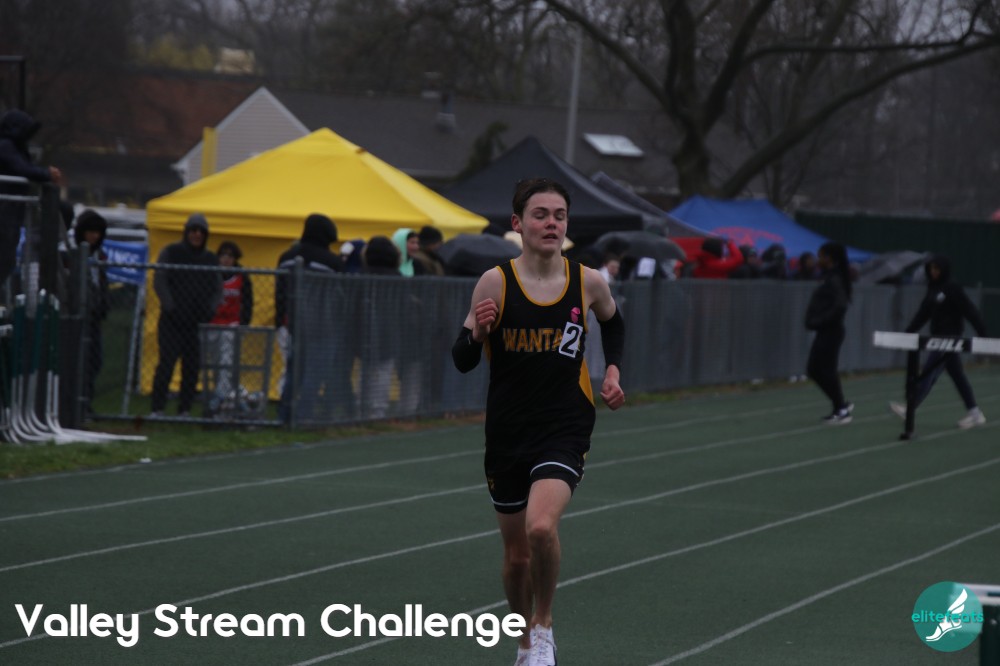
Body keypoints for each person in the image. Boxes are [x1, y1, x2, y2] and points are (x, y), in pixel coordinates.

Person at [451, 177, 625, 666]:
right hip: (508, 431)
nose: (551, 223)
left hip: (563, 425)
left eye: (559, 215)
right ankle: (524, 642)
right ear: (518, 223)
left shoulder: (587, 281)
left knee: (542, 528)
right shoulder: (495, 282)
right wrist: (478, 333)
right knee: (517, 558)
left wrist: (613, 370)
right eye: (541, 214)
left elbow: (613, 321)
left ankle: (543, 627)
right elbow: (462, 359)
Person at [889, 255, 988, 429]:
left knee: (930, 371)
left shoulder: (952, 287)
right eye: (931, 269)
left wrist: (982, 333)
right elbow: (924, 313)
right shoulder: (933, 288)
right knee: (957, 375)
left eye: (937, 268)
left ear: (943, 269)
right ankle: (975, 413)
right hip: (937, 336)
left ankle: (910, 407)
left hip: (950, 337)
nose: (934, 272)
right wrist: (909, 332)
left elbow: (969, 310)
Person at [275, 213, 346, 423]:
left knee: (293, 372)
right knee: (315, 373)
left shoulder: (286, 258)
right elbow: (342, 296)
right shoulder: (332, 262)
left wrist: (280, 319)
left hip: (294, 323)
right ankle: (304, 416)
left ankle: (285, 415)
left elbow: (279, 293)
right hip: (325, 325)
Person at [150, 213, 221, 417]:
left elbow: (218, 289)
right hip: (172, 321)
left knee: (191, 368)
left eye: (201, 231)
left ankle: (185, 409)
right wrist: (170, 307)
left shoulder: (210, 259)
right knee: (166, 364)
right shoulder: (171, 252)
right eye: (193, 230)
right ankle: (157, 408)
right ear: (186, 232)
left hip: (196, 322)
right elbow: (160, 281)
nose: (197, 235)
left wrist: (209, 310)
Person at [0, 109, 63, 288]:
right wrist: (46, 174)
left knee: (7, 259)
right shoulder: (5, 146)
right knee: (4, 257)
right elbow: (22, 168)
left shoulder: (16, 148)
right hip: (5, 210)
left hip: (11, 212)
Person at [804, 241, 853, 424]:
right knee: (816, 369)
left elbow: (840, 306)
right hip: (826, 331)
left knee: (824, 370)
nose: (818, 260)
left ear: (830, 258)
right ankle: (840, 404)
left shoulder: (835, 279)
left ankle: (841, 408)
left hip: (831, 331)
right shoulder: (829, 277)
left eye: (821, 256)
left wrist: (820, 320)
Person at [207, 240, 254, 414]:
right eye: (223, 255)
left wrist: (244, 323)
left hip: (232, 323)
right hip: (213, 323)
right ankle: (225, 392)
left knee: (227, 360)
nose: (226, 259)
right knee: (215, 361)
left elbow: (248, 302)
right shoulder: (212, 274)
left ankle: (221, 396)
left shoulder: (241, 275)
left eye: (230, 256)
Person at [358, 235, 401, 418]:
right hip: (389, 330)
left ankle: (361, 407)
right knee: (383, 371)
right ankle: (378, 409)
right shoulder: (397, 278)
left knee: (365, 370)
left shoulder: (362, 275)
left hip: (362, 329)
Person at [73, 209, 110, 417]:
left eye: (97, 232)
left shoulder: (100, 256)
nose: (94, 236)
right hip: (78, 317)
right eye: (90, 231)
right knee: (79, 361)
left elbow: (102, 284)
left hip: (94, 318)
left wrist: (103, 305)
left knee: (95, 361)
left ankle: (86, 401)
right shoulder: (73, 253)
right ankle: (77, 403)